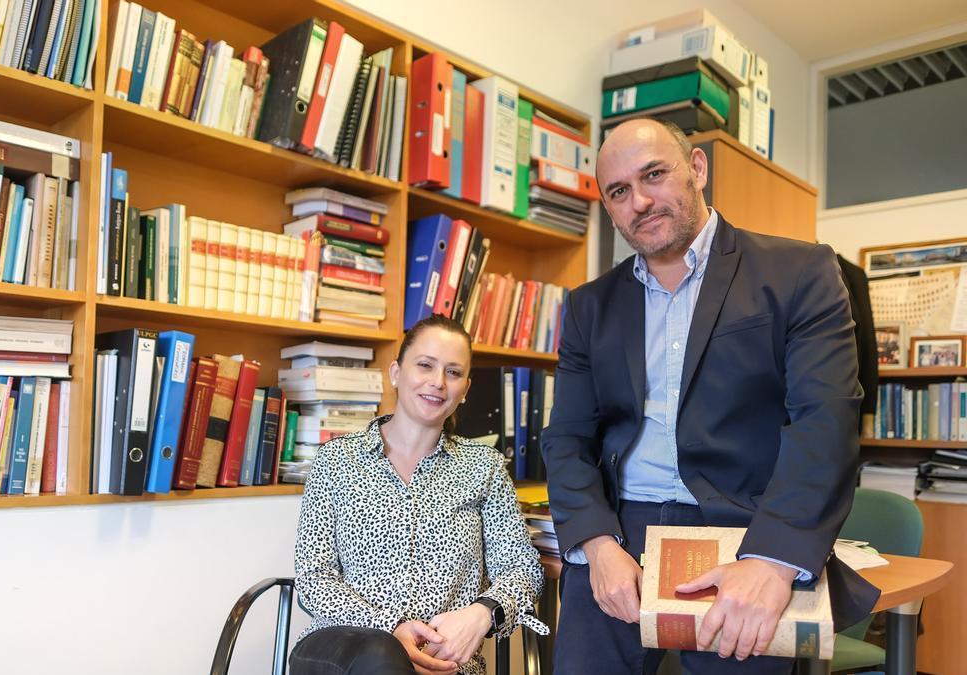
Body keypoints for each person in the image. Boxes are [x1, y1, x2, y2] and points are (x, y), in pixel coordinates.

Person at [541, 118, 880, 674]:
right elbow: (568, 439)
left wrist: (772, 562)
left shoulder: (798, 272)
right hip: (621, 533)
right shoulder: (589, 307)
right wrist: (595, 545)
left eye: (654, 174)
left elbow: (825, 421)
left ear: (697, 169)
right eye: (619, 191)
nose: (641, 201)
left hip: (745, 529)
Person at [291, 314, 548, 675]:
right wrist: (391, 629)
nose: (438, 383)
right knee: (382, 657)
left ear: (465, 389)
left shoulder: (484, 468)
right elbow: (314, 577)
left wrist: (481, 613)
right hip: (344, 649)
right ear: (396, 372)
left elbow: (523, 568)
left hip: (446, 661)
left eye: (453, 373)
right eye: (425, 365)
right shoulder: (336, 460)